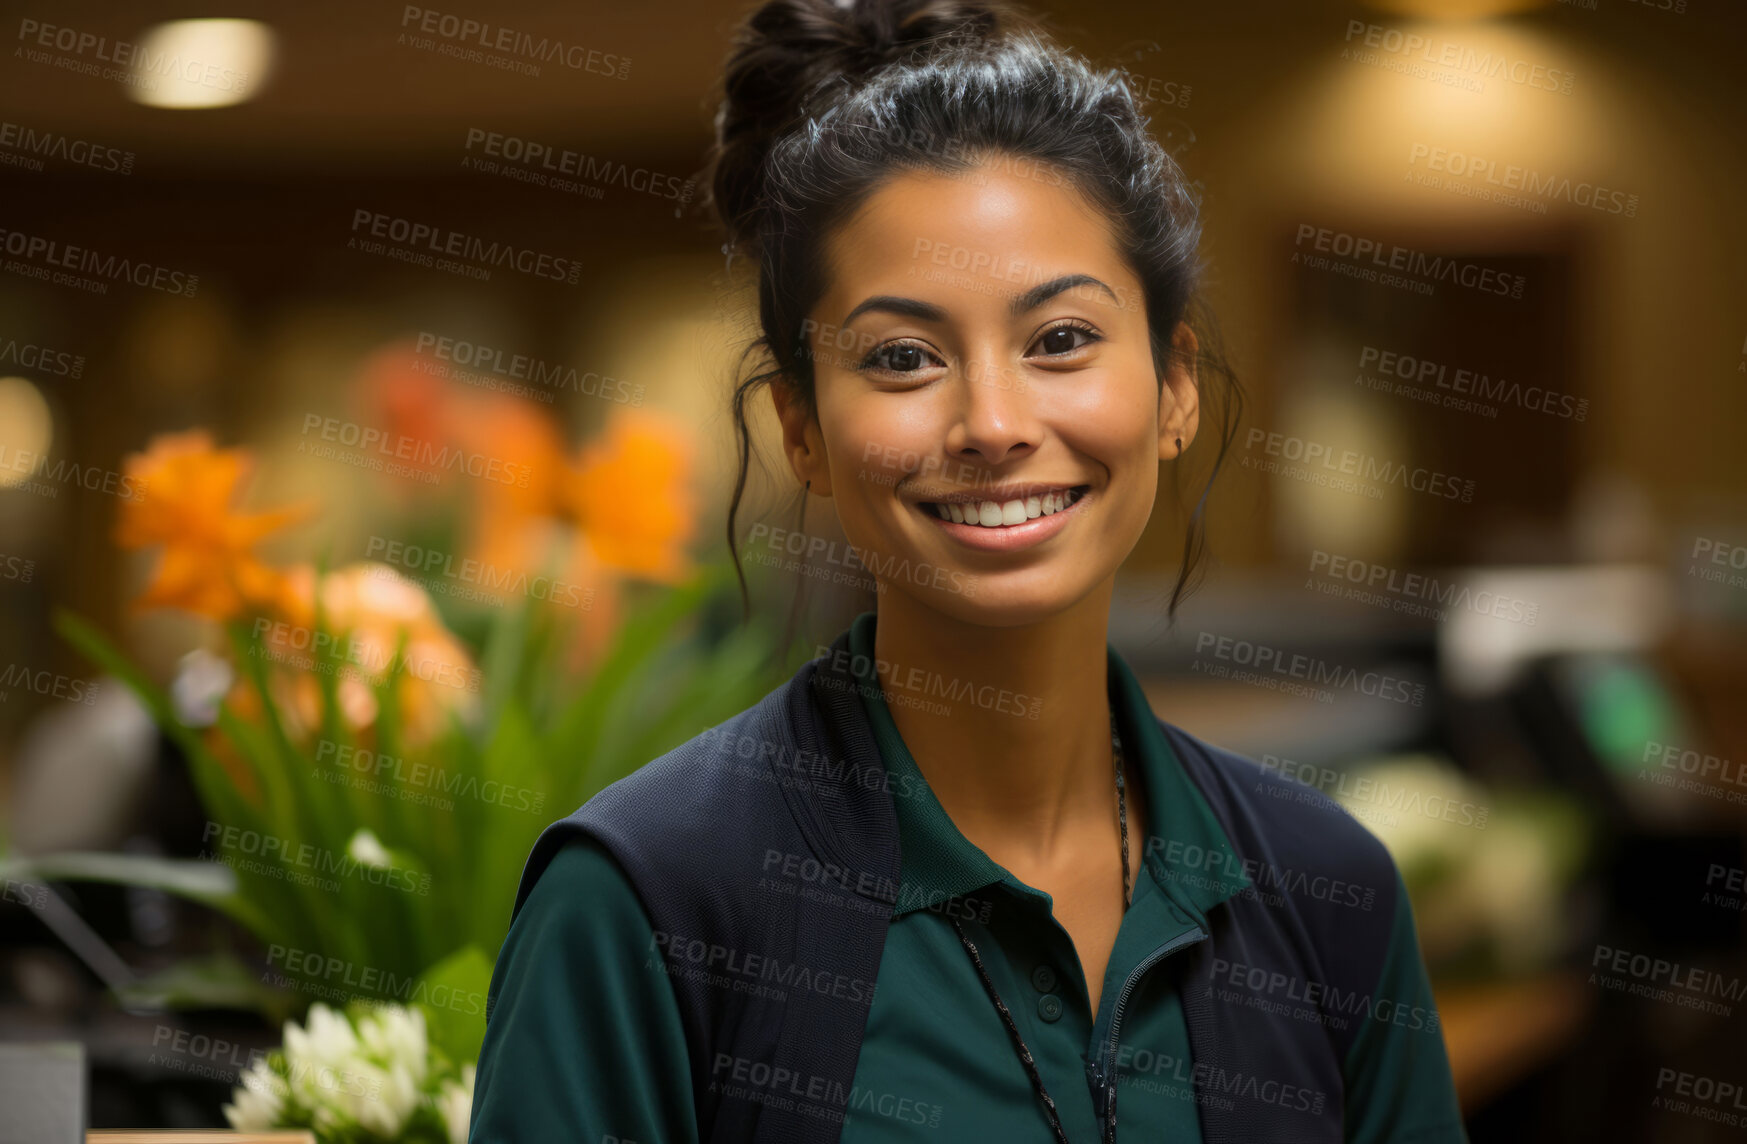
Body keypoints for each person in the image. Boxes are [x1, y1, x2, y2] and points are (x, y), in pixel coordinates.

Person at [469, 1, 1468, 1141]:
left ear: (1173, 384)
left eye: (1060, 340)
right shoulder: (645, 901)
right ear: (800, 426)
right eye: (902, 357)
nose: (992, 422)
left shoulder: (1324, 889)